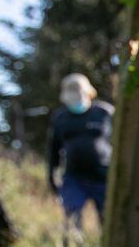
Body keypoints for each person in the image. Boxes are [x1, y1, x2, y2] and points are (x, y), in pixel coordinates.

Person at [47, 73, 113, 236]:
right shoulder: (60, 118)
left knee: (109, 221)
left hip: (103, 177)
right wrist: (52, 178)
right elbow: (53, 150)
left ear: (89, 93)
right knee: (71, 221)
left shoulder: (105, 112)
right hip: (74, 178)